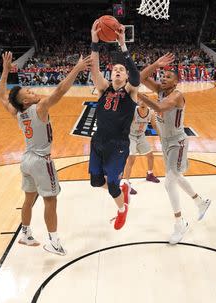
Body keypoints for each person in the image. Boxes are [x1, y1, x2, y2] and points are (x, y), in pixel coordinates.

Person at [0, 51, 91, 256]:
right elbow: (60, 90)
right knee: (51, 200)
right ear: (26, 102)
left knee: (28, 199)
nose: (32, 92)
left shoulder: (18, 113)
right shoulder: (39, 107)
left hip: (26, 160)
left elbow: (1, 96)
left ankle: (25, 233)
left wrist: (5, 71)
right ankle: (54, 242)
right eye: (28, 94)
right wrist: (76, 68)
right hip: (41, 161)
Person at [138, 53, 211, 245]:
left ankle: (180, 223)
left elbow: (161, 109)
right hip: (165, 141)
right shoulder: (161, 90)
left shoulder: (177, 96)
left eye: (168, 77)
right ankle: (200, 202)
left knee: (169, 181)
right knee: (176, 176)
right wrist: (155, 63)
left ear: (176, 83)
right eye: (162, 75)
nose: (163, 78)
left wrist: (138, 95)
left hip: (177, 142)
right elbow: (141, 78)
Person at [89, 20, 139, 230]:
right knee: (96, 182)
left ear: (126, 75)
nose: (118, 71)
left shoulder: (130, 91)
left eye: (121, 69)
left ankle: (121, 209)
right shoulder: (103, 88)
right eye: (115, 69)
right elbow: (94, 68)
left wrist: (123, 46)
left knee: (111, 187)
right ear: (110, 75)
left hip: (118, 143)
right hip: (98, 140)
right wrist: (94, 41)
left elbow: (137, 78)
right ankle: (121, 192)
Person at [123, 100, 160, 195]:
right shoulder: (133, 111)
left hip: (141, 136)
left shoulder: (151, 112)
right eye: (141, 101)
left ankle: (150, 174)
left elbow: (155, 125)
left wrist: (161, 136)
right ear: (138, 103)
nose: (143, 103)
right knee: (131, 159)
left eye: (145, 101)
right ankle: (126, 183)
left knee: (150, 156)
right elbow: (125, 125)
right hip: (131, 136)